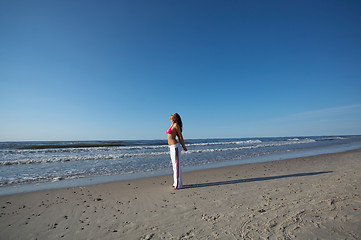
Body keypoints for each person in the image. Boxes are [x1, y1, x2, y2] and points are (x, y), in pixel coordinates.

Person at [166, 113, 187, 189]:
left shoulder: (176, 126)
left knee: (176, 166)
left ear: (175, 118)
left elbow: (180, 137)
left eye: (173, 115)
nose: (171, 115)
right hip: (171, 147)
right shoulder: (171, 125)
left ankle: (178, 185)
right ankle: (175, 183)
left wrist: (184, 147)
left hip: (175, 147)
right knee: (174, 166)